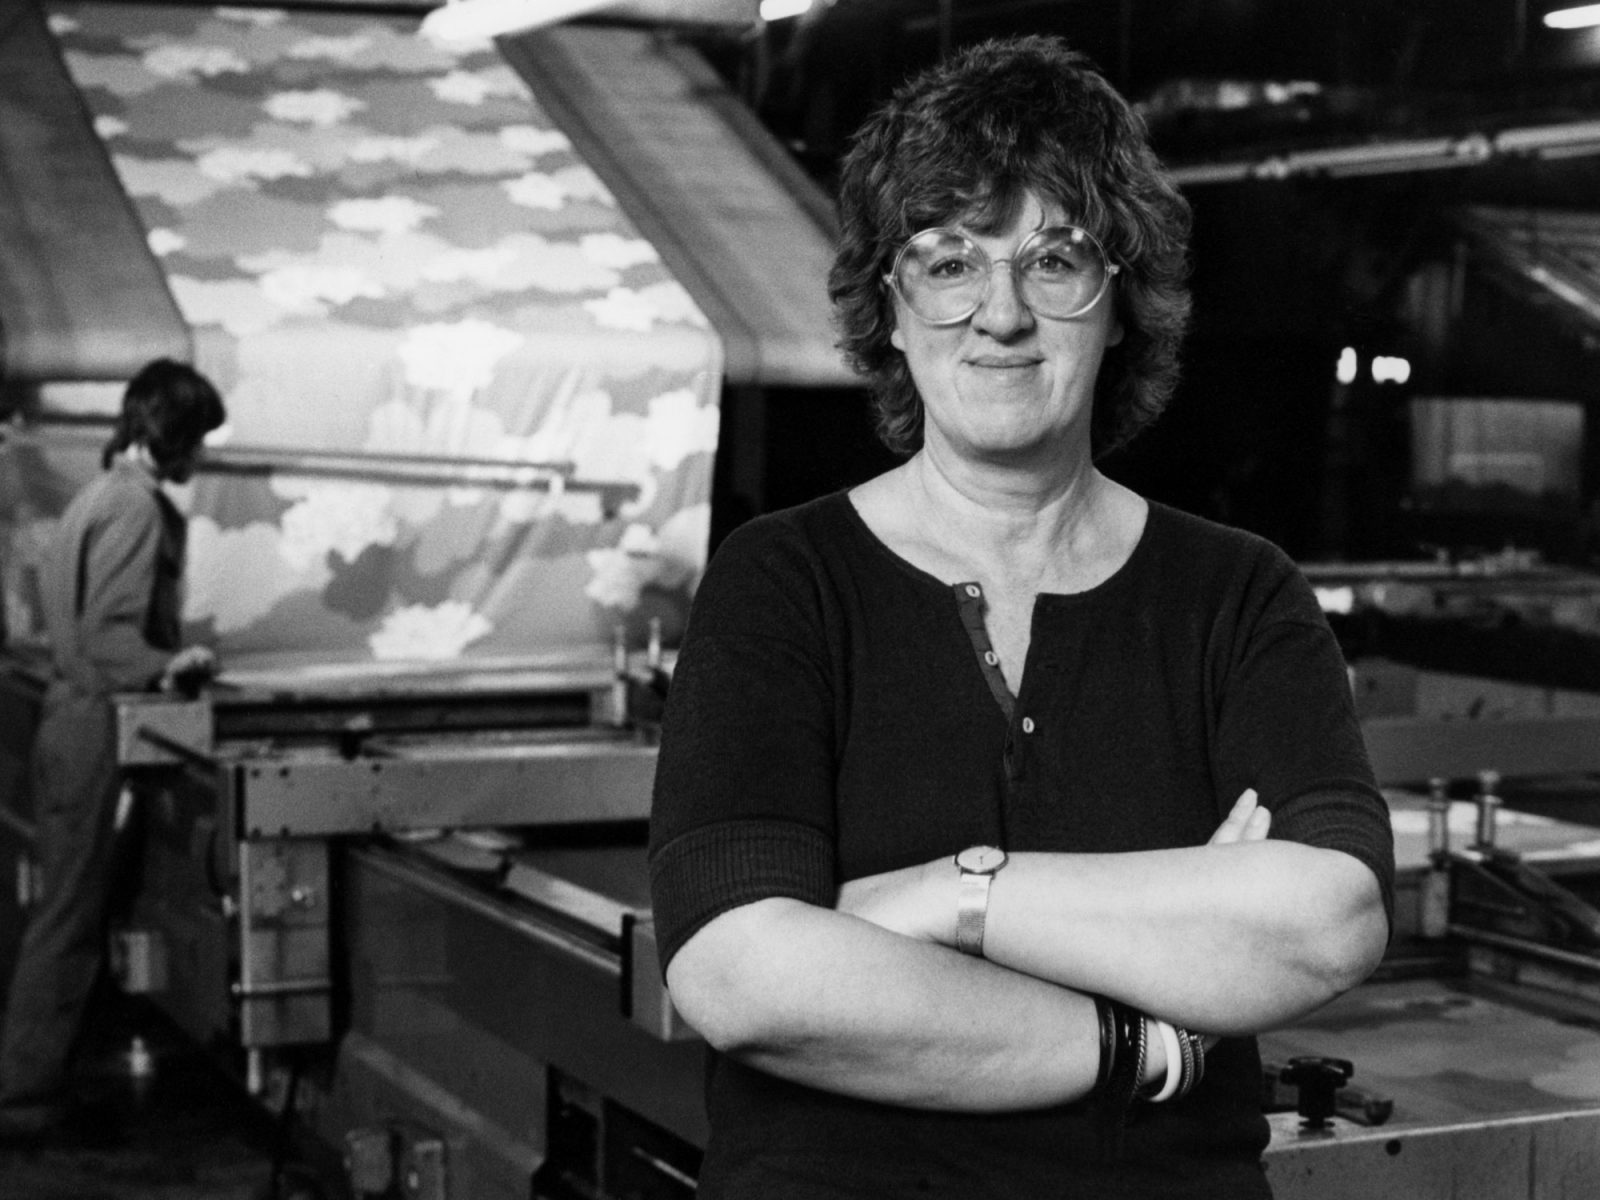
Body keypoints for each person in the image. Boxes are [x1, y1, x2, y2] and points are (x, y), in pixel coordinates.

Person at [648, 36, 1394, 1199]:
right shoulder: (782, 583)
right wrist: (1147, 1039)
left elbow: (1325, 923)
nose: (999, 314)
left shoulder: (1238, 596)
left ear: (1120, 305)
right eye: (948, 262)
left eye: (1054, 261)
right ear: (891, 310)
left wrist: (952, 896)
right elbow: (743, 977)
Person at [0, 358, 225, 1145]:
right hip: (95, 724)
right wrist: (170, 663)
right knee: (68, 919)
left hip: (68, 719)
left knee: (64, 909)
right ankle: (23, 1099)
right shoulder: (134, 507)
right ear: (170, 434)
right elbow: (107, 637)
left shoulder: (96, 495)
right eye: (196, 437)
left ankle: (35, 1085)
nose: (201, 455)